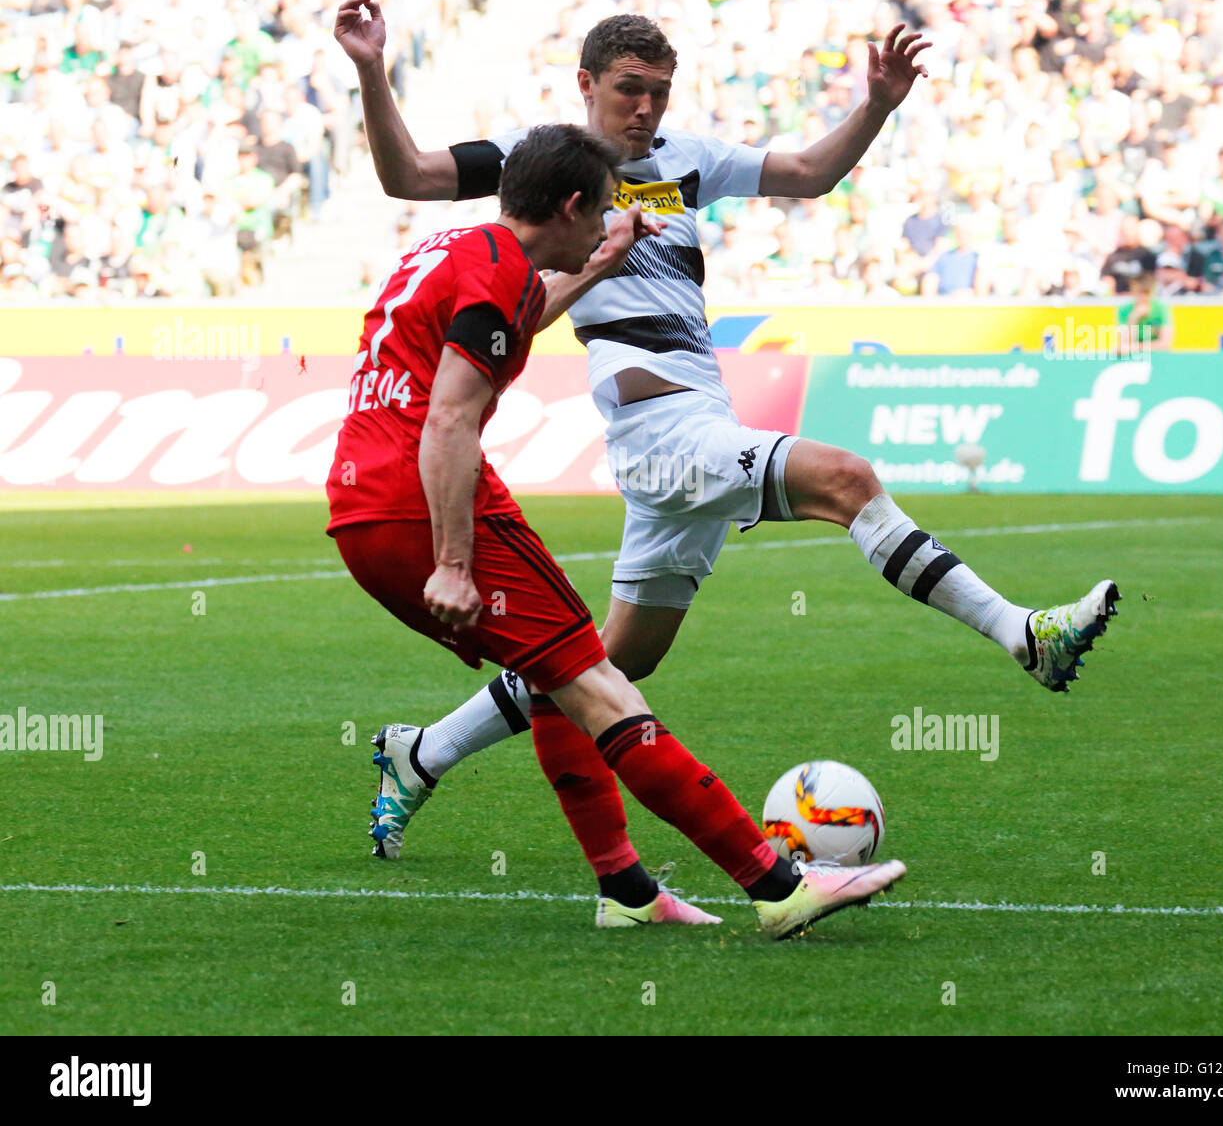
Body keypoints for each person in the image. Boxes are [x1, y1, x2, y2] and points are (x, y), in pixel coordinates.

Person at [333, 0, 1119, 859]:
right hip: (653, 427)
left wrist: (878, 106)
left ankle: (424, 751)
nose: (646, 109)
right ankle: (1022, 634)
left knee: (606, 663)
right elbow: (406, 174)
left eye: (660, 93)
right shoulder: (540, 163)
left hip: (700, 419)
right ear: (587, 84)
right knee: (848, 481)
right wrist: (373, 67)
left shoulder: (689, 161)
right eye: (630, 89)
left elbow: (810, 172)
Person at [327, 123, 905, 938]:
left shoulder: (464, 247)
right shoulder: (496, 270)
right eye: (600, 212)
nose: (608, 226)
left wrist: (596, 267)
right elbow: (451, 419)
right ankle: (776, 885)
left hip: (367, 497)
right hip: (421, 499)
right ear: (568, 206)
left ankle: (627, 892)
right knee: (600, 686)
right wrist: (454, 563)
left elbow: (507, 327)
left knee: (564, 676)